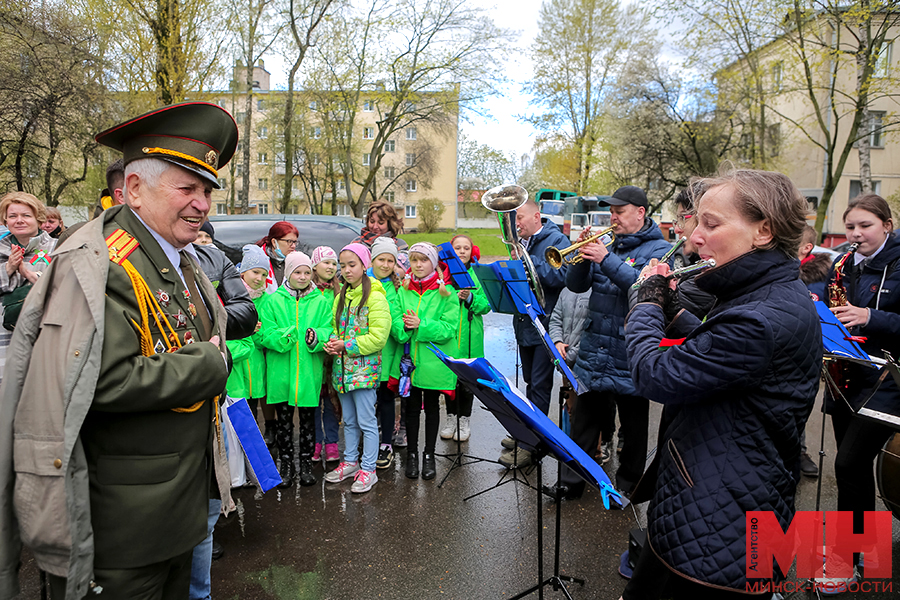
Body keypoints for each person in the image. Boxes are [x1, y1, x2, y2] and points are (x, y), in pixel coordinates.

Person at [0, 101, 237, 600]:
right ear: (132, 188)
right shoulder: (102, 264)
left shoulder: (176, 259)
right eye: (187, 188)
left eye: (207, 191)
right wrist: (211, 363)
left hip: (175, 512)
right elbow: (102, 379)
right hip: (126, 528)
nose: (202, 204)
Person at [620, 169, 821, 600]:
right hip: (717, 498)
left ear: (763, 231)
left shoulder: (759, 317)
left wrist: (646, 303)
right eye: (698, 222)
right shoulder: (768, 294)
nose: (695, 237)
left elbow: (653, 373)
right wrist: (674, 309)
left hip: (719, 521)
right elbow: (722, 356)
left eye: (712, 224)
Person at [553, 185, 671, 499]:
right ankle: (572, 481)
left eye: (619, 211)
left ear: (640, 212)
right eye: (611, 212)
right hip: (595, 347)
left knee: (633, 427)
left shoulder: (660, 249)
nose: (613, 217)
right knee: (583, 423)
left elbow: (643, 288)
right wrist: (580, 257)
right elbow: (575, 287)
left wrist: (605, 259)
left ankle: (628, 485)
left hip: (630, 350)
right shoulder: (609, 244)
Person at [824, 193, 900, 591]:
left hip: (888, 378)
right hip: (847, 372)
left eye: (865, 226)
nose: (855, 234)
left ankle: (845, 560)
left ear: (887, 225)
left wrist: (871, 316)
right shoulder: (842, 261)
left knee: (848, 464)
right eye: (850, 226)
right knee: (853, 471)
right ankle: (864, 553)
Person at [500, 198, 569, 468]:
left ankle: (533, 445)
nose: (515, 225)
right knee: (530, 382)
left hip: (546, 323)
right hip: (526, 323)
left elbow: (560, 277)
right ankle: (526, 431)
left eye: (519, 219)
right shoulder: (523, 243)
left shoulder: (555, 240)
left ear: (537, 217)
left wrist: (526, 263)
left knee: (540, 386)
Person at [257, 251, 332, 488]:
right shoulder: (273, 301)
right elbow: (263, 334)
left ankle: (307, 465)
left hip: (309, 372)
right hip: (282, 373)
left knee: (309, 421)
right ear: (288, 273)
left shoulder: (321, 301)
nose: (302, 276)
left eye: (306, 272)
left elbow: (328, 329)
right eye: (297, 272)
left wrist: (316, 337)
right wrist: (284, 337)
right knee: (284, 422)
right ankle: (286, 465)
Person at [324, 243, 390, 493]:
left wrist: (346, 345)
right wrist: (332, 342)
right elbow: (334, 327)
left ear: (365, 265)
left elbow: (378, 338)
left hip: (363, 374)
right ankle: (350, 461)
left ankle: (369, 469)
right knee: (348, 421)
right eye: (343, 265)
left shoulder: (376, 297)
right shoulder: (341, 297)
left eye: (352, 265)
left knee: (366, 422)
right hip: (342, 373)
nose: (346, 270)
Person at [395, 242, 459, 480]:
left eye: (424, 259)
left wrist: (421, 325)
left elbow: (449, 329)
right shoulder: (403, 290)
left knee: (432, 409)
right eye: (414, 260)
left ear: (434, 263)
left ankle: (429, 455)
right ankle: (412, 455)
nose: (418, 265)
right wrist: (403, 326)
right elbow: (397, 321)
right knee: (411, 411)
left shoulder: (446, 293)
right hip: (410, 364)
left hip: (433, 363)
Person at [440, 234, 491, 443]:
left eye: (466, 248)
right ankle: (451, 418)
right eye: (457, 248)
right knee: (450, 379)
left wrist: (470, 298)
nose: (462, 251)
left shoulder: (477, 274)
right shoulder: (444, 275)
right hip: (450, 336)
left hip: (471, 334)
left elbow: (486, 304)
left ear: (472, 251)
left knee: (467, 381)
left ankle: (464, 419)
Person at [796, 224, 830, 479]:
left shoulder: (820, 276)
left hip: (808, 348)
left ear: (806, 248)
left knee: (800, 402)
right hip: (785, 344)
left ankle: (801, 451)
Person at [368, 237, 404, 470]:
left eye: (390, 260)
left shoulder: (397, 289)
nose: (385, 264)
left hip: (388, 356)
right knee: (367, 403)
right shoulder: (362, 284)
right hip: (364, 357)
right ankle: (370, 440)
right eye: (381, 259)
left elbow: (399, 326)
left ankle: (386, 444)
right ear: (372, 260)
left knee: (386, 399)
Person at [0, 192, 57, 329]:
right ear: (5, 221)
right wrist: (8, 269)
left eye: (26, 215)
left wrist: (30, 275)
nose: (19, 220)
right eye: (12, 216)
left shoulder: (58, 247)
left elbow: (66, 287)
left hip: (43, 332)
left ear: (39, 220)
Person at [311, 245, 342, 463]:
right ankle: (316, 441)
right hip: (313, 355)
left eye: (334, 263)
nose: (331, 267)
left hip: (333, 356)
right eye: (326, 262)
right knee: (313, 401)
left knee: (331, 403)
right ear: (315, 265)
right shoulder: (309, 291)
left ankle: (332, 442)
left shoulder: (340, 292)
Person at [256, 221, 300, 292]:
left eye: (295, 242)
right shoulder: (257, 259)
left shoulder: (298, 261)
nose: (293, 246)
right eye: (289, 241)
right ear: (274, 242)